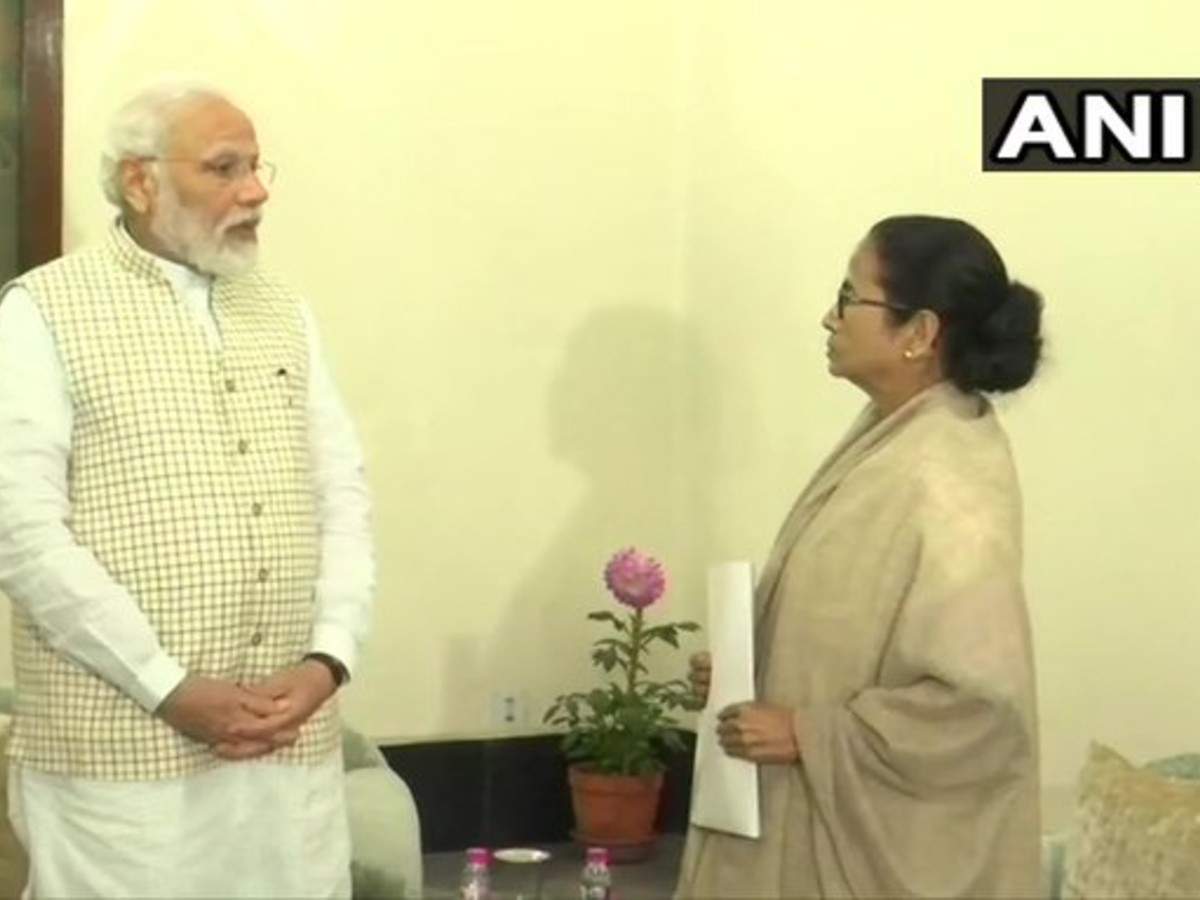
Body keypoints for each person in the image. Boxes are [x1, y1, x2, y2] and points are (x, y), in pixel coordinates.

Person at [0, 81, 374, 898]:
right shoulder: (41, 312)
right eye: (224, 168)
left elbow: (341, 492)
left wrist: (328, 659)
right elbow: (21, 533)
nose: (256, 190)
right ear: (141, 183)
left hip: (288, 745)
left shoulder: (281, 308)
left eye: (256, 166)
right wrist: (168, 686)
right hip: (122, 760)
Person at [676, 215, 1044, 898]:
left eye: (850, 297)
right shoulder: (894, 444)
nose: (829, 317)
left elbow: (980, 708)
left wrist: (808, 733)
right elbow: (847, 635)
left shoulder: (948, 480)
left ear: (920, 333)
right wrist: (744, 673)